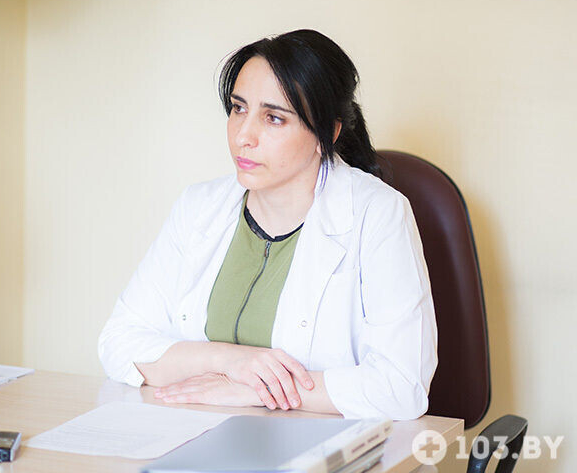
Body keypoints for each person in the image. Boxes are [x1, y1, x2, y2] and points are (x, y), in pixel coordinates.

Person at [98, 29, 437, 420]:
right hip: (196, 431)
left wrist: (254, 390)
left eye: (274, 118)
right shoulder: (198, 207)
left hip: (320, 442)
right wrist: (232, 362)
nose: (243, 135)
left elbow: (402, 387)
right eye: (238, 108)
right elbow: (118, 343)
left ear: (327, 133)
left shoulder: (378, 214)